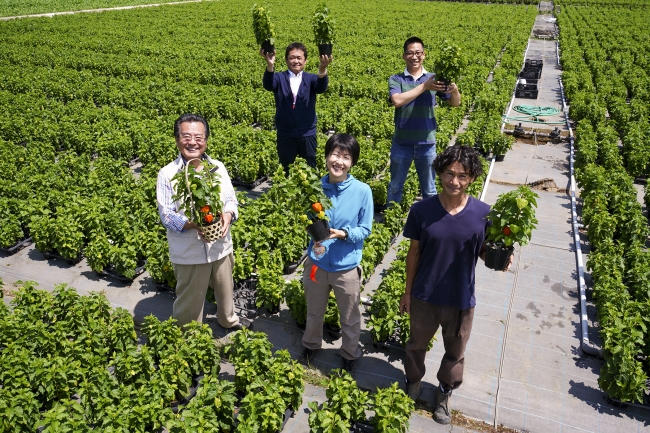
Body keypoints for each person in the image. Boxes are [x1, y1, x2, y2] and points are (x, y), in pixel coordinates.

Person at [399, 145, 511, 424]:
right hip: (425, 294)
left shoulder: (483, 214)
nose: (455, 181)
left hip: (461, 298)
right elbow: (414, 253)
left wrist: (499, 258)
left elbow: (483, 250)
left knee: (455, 351)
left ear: (472, 178)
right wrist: (407, 292)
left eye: (463, 176)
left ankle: (444, 392)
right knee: (416, 345)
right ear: (439, 172)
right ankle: (413, 383)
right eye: (449, 173)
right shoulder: (422, 210)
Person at [156, 113, 250, 330]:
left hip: (220, 245)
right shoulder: (168, 174)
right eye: (186, 136)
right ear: (177, 139)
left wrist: (227, 215)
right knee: (190, 301)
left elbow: (230, 200)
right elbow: (167, 214)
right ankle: (188, 336)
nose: (192, 142)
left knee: (226, 290)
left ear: (206, 140)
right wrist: (194, 223)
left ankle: (228, 320)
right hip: (189, 251)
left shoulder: (217, 167)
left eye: (198, 137)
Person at [300, 133, 373, 377]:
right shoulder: (314, 188)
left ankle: (350, 354)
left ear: (352, 162)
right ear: (326, 156)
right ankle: (311, 345)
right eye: (335, 154)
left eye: (345, 157)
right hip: (317, 264)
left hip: (346, 267)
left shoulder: (362, 191)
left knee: (350, 316)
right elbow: (307, 219)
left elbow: (365, 229)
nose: (338, 161)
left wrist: (342, 233)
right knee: (314, 309)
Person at [386, 36, 461, 208]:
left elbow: (455, 103)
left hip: (427, 144)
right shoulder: (396, 79)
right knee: (395, 186)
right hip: (401, 143)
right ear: (404, 56)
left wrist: (455, 90)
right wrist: (424, 87)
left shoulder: (434, 79)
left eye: (418, 53)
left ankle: (429, 225)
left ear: (424, 55)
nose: (414, 57)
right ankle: (389, 220)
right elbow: (397, 100)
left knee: (429, 189)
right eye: (410, 53)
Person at [261, 42, 332, 172]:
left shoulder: (310, 79)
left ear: (305, 61)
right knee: (286, 168)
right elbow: (268, 85)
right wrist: (270, 65)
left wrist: (322, 69)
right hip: (285, 133)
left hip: (307, 133)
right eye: (292, 58)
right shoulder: (279, 77)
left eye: (299, 58)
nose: (296, 61)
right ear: (286, 60)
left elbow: (321, 88)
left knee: (310, 168)